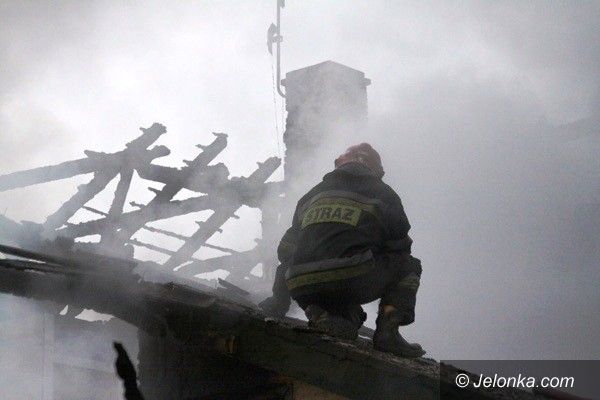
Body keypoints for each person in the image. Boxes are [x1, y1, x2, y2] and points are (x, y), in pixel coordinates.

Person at [259, 143, 425, 358]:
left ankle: (321, 313)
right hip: (349, 280)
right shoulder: (385, 195)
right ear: (377, 171)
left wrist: (279, 300)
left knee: (346, 318)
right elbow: (400, 248)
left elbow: (286, 250)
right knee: (409, 266)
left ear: (339, 163)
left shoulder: (311, 195)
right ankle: (388, 334)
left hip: (301, 284)